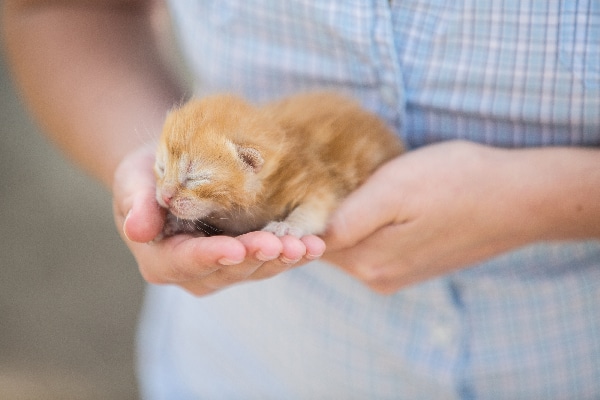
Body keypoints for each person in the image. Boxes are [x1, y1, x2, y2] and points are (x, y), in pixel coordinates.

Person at [3, 0, 599, 398]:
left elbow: (311, 194)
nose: (167, 191)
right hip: (248, 367)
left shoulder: (280, 168)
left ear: (255, 167)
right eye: (164, 169)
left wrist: (543, 200)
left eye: (185, 180)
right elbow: (48, 8)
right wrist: (131, 173)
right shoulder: (222, 164)